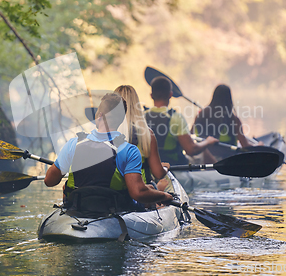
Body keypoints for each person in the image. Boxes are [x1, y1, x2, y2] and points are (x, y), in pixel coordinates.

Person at [44, 92, 173, 213]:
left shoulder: (73, 144)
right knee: (148, 190)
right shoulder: (129, 150)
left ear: (98, 116)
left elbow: (49, 181)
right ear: (121, 120)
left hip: (76, 208)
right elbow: (138, 193)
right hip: (113, 209)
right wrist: (164, 195)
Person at [145, 76, 218, 165]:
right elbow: (191, 150)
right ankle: (221, 175)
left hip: (150, 166)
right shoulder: (176, 118)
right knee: (203, 153)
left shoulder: (141, 116)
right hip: (174, 166)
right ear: (170, 95)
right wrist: (207, 142)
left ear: (151, 96)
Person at [114, 85, 169, 191]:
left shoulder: (106, 133)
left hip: (114, 191)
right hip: (141, 191)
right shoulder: (147, 134)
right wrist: (165, 168)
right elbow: (158, 173)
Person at [192, 84, 260, 148]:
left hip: (204, 155)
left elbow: (191, 133)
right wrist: (258, 146)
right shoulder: (233, 120)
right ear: (229, 100)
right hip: (227, 157)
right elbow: (245, 146)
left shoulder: (200, 115)